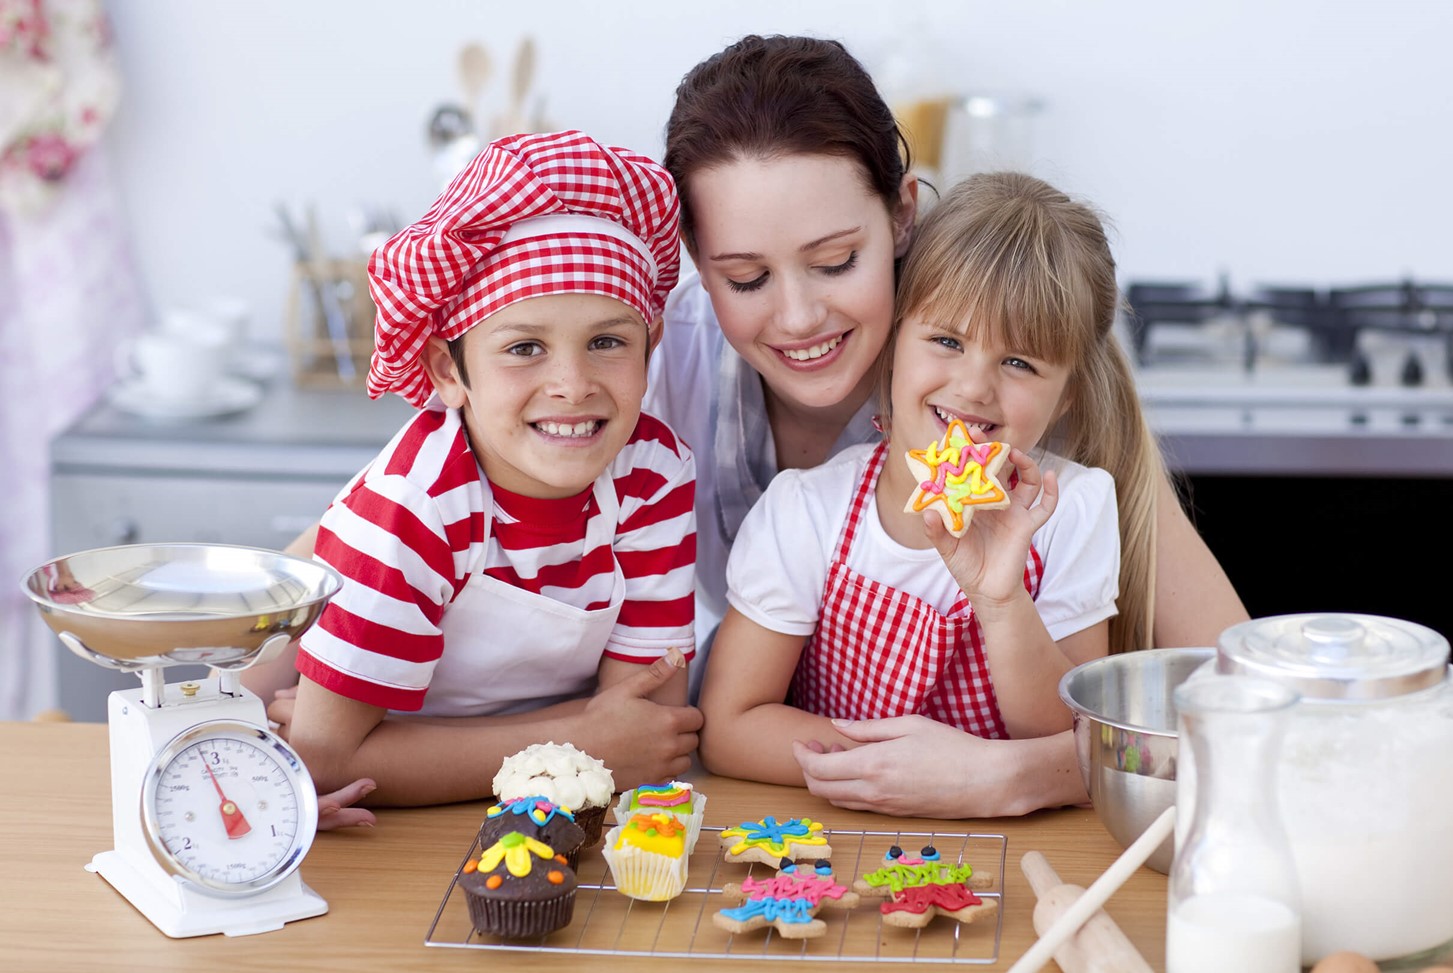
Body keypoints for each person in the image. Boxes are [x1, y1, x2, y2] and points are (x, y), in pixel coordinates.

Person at [644, 34, 1247, 815]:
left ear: (902, 216)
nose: (797, 316)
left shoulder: (1026, 374)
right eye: (746, 277)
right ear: (695, 258)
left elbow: (1235, 711)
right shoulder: (648, 363)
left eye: (834, 262)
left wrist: (1009, 775)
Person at [269, 130, 702, 807]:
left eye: (608, 341)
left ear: (651, 343)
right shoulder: (418, 504)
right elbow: (326, 760)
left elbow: (649, 728)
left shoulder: (653, 473)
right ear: (449, 370)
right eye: (526, 346)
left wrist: (595, 739)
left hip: (542, 811)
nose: (572, 383)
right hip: (401, 834)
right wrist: (584, 741)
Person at [698, 169, 1131, 790]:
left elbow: (1074, 744)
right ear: (892, 345)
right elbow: (729, 727)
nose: (974, 387)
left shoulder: (1073, 510)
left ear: (1064, 400)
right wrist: (899, 770)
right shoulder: (805, 511)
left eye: (1018, 362)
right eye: (947, 341)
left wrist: (1002, 602)